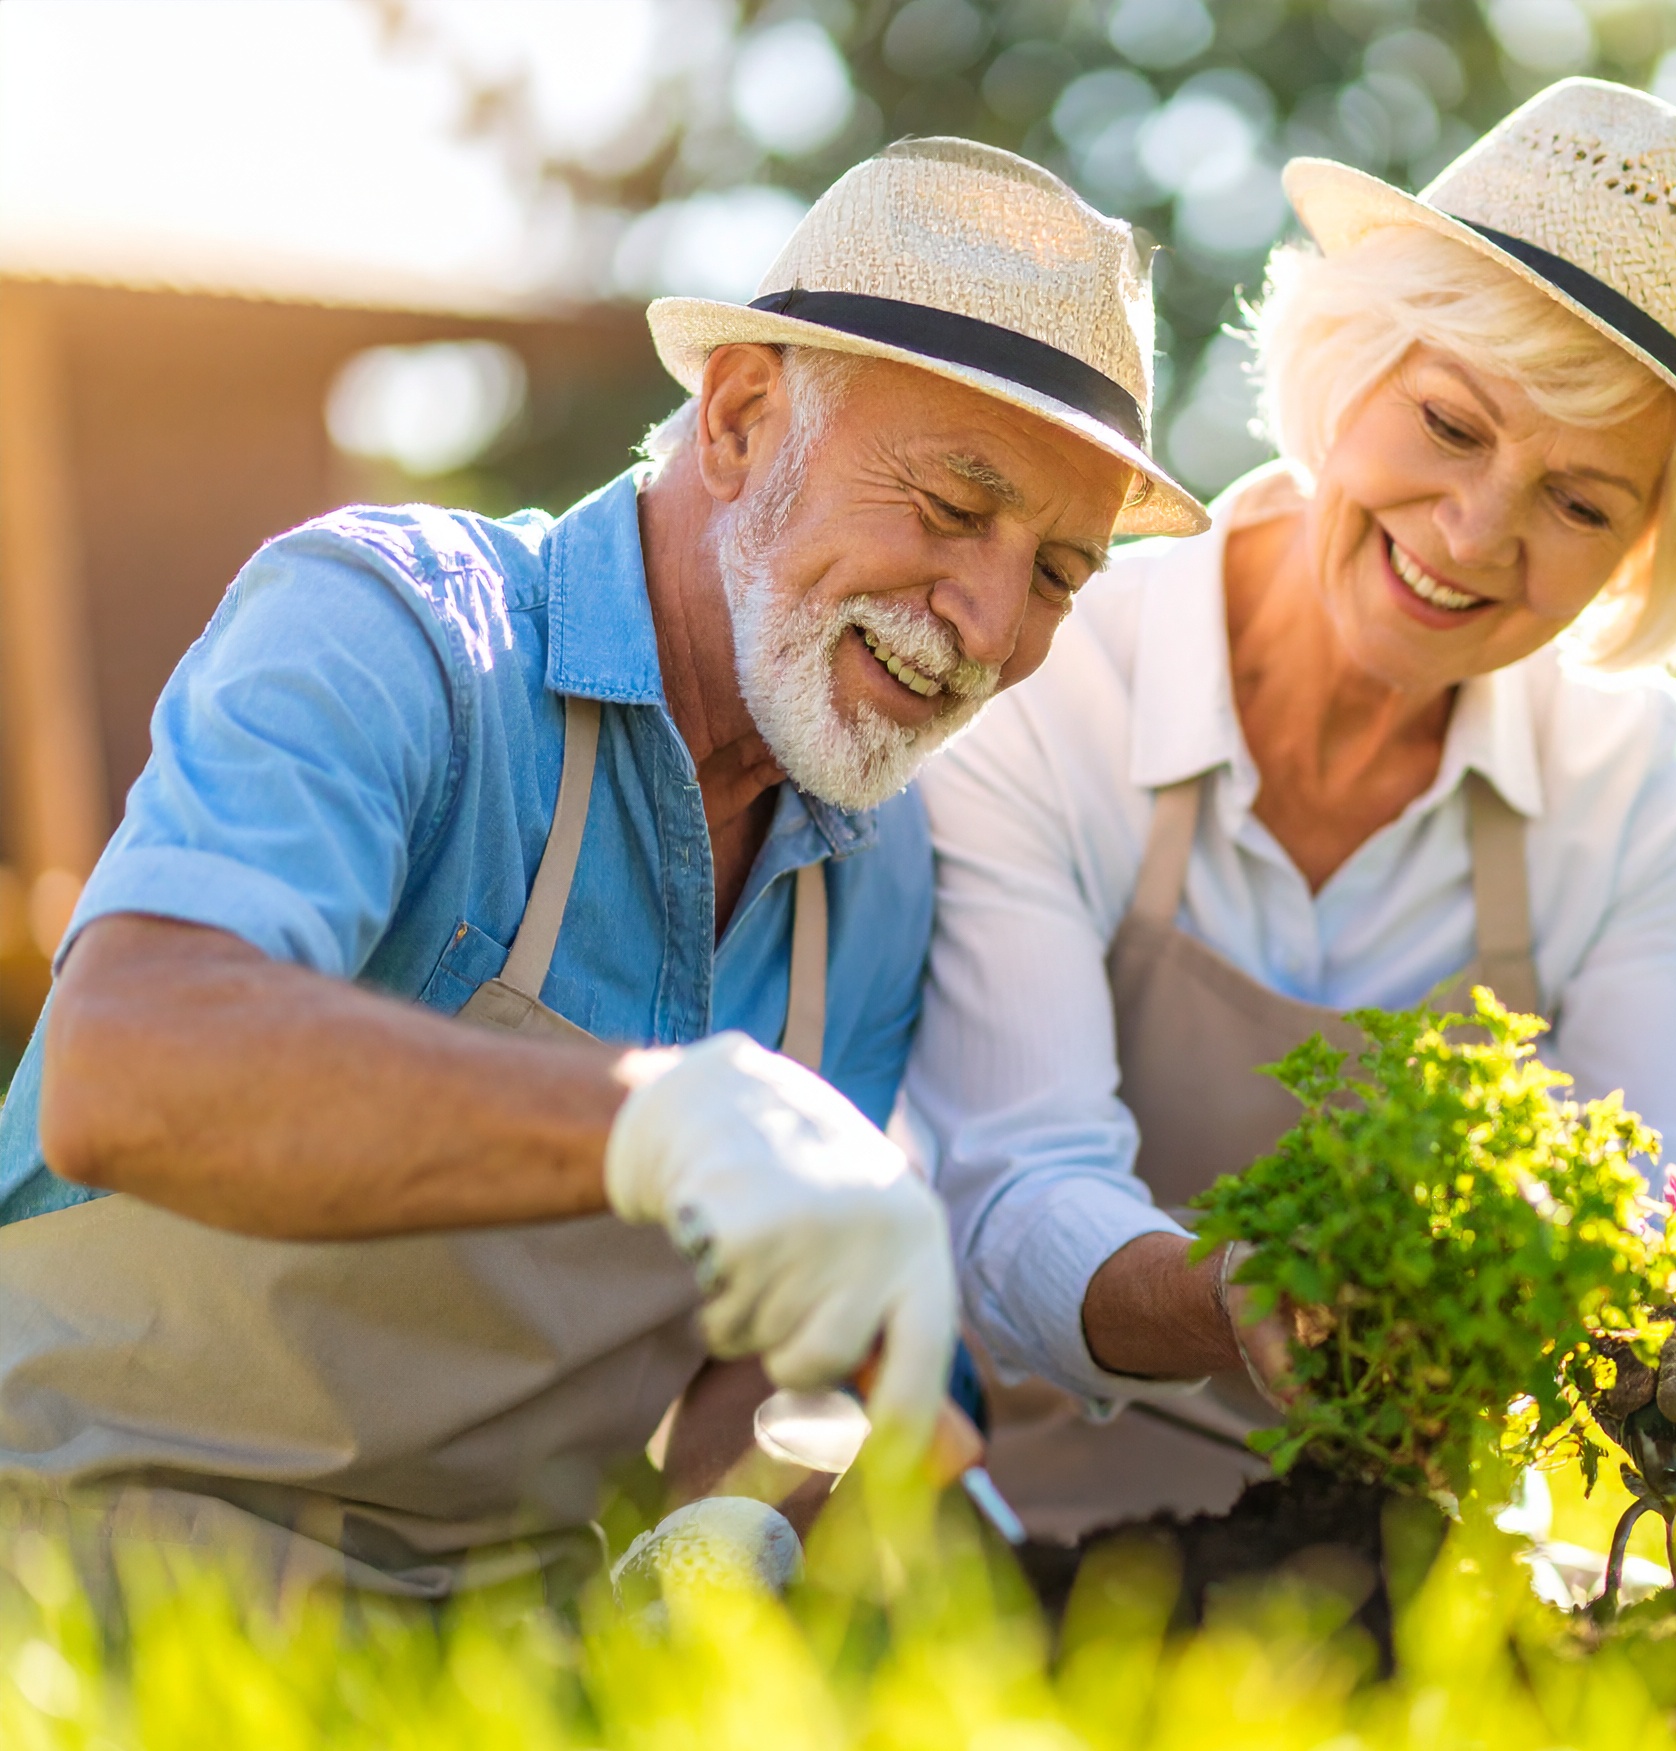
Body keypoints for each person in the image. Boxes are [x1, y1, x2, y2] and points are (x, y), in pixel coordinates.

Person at [0, 138, 1206, 1598]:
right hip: (68, 1584)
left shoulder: (867, 884)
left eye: (1063, 574)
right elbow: (128, 1067)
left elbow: (753, 1367)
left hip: (501, 1656)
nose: (992, 621)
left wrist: (756, 1505)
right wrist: (651, 1119)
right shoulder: (398, 636)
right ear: (744, 420)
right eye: (953, 508)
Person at [904, 81, 1676, 1543]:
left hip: (1424, 1555)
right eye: (1450, 424)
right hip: (1032, 1527)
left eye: (1580, 505)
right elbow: (1013, 1193)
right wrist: (1236, 1299)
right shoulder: (1061, 676)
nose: (1473, 534)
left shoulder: (1621, 773)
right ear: (1351, 359)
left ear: (1646, 549)